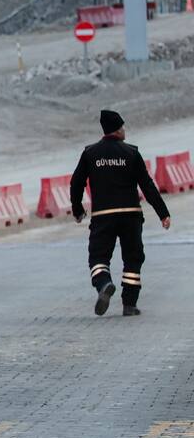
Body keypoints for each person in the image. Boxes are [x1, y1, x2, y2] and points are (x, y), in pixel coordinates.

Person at [70, 109, 171, 317]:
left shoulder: (90, 153)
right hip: (130, 215)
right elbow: (147, 185)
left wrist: (78, 210)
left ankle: (104, 283)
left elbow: (76, 183)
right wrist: (163, 213)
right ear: (117, 130)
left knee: (98, 257)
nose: (125, 130)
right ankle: (129, 304)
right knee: (133, 258)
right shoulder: (131, 153)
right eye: (122, 127)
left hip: (103, 216)